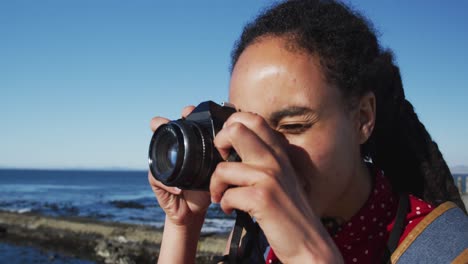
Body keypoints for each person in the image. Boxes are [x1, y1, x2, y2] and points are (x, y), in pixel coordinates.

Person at [148, 0, 468, 263]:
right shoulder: (256, 237)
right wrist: (183, 225)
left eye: (292, 126)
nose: (264, 154)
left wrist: (307, 254)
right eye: (243, 128)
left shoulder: (447, 250)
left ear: (363, 119)